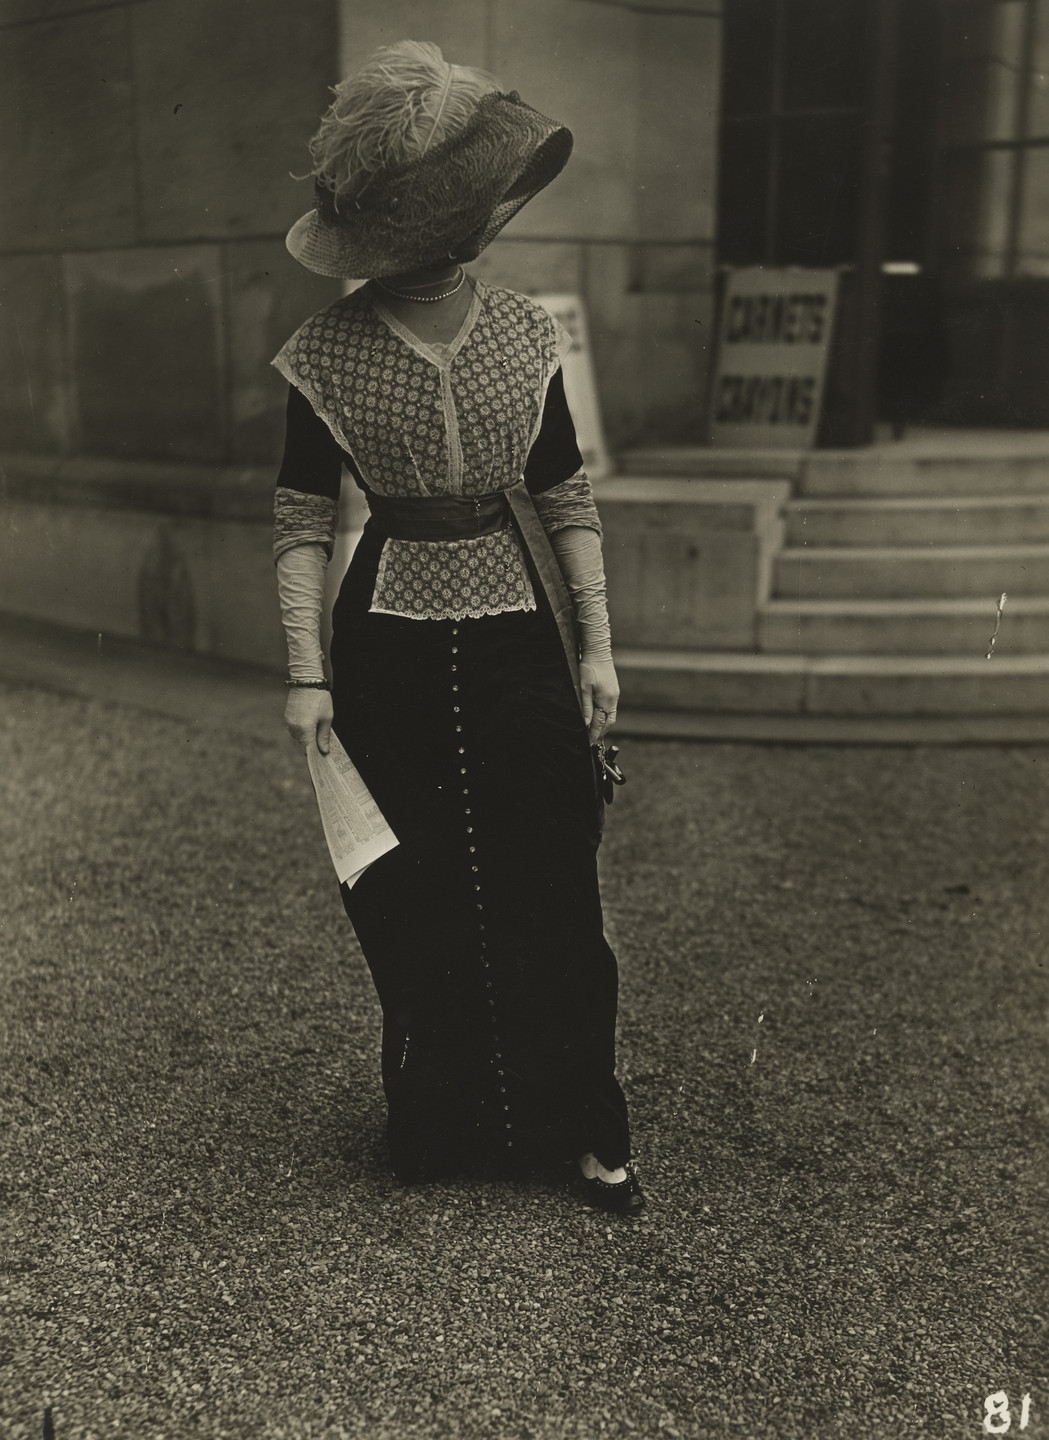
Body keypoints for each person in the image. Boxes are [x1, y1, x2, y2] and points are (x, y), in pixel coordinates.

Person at [272, 41, 643, 1216]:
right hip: (381, 649)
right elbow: (298, 521)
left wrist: (594, 648)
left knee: (552, 878)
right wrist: (306, 678)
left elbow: (564, 496)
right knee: (412, 891)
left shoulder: (526, 335)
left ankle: (582, 1127)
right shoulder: (323, 354)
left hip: (515, 639)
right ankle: (445, 1120)